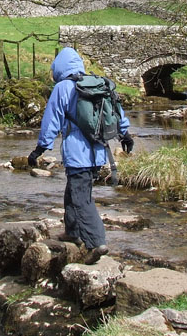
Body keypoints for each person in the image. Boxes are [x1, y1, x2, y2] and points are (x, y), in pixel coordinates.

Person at [27, 47, 134, 265]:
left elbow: (51, 122)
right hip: (98, 152)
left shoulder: (63, 88)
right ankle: (72, 231)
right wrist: (125, 136)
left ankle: (96, 242)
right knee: (75, 190)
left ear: (59, 68)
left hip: (78, 154)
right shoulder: (98, 84)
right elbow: (117, 112)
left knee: (81, 198)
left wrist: (39, 149)